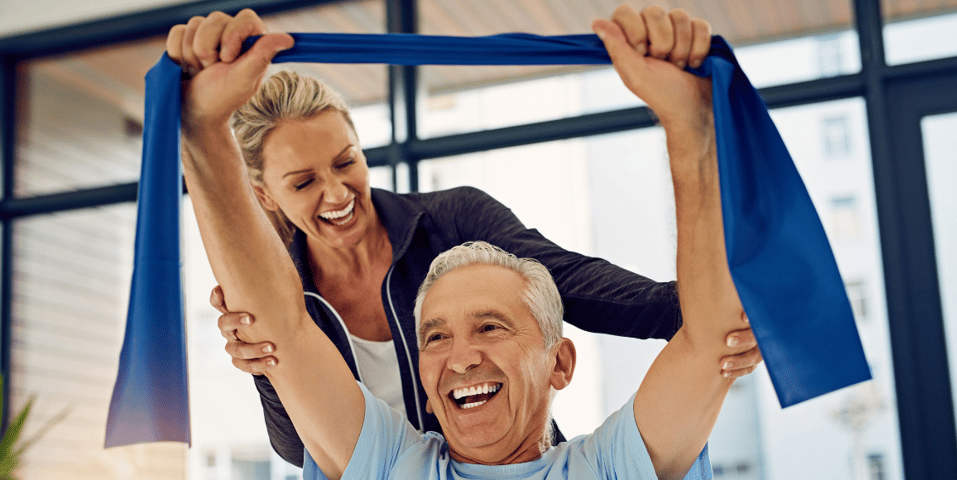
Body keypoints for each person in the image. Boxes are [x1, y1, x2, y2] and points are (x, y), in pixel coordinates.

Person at [167, 3, 761, 470]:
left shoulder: (452, 223)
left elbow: (567, 282)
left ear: (561, 363)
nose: (336, 192)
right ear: (266, 195)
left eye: (346, 162)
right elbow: (297, 407)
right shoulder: (289, 298)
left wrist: (705, 317)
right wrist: (199, 128)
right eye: (303, 181)